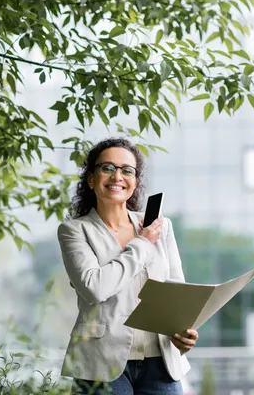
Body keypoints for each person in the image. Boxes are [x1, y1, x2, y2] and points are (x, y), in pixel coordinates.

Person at [57, 137, 198, 394]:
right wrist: (142, 244)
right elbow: (95, 288)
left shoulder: (158, 226)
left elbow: (176, 290)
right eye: (107, 168)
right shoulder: (74, 230)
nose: (117, 176)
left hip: (162, 362)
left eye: (126, 170)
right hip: (100, 363)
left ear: (135, 180)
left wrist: (184, 332)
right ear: (91, 179)